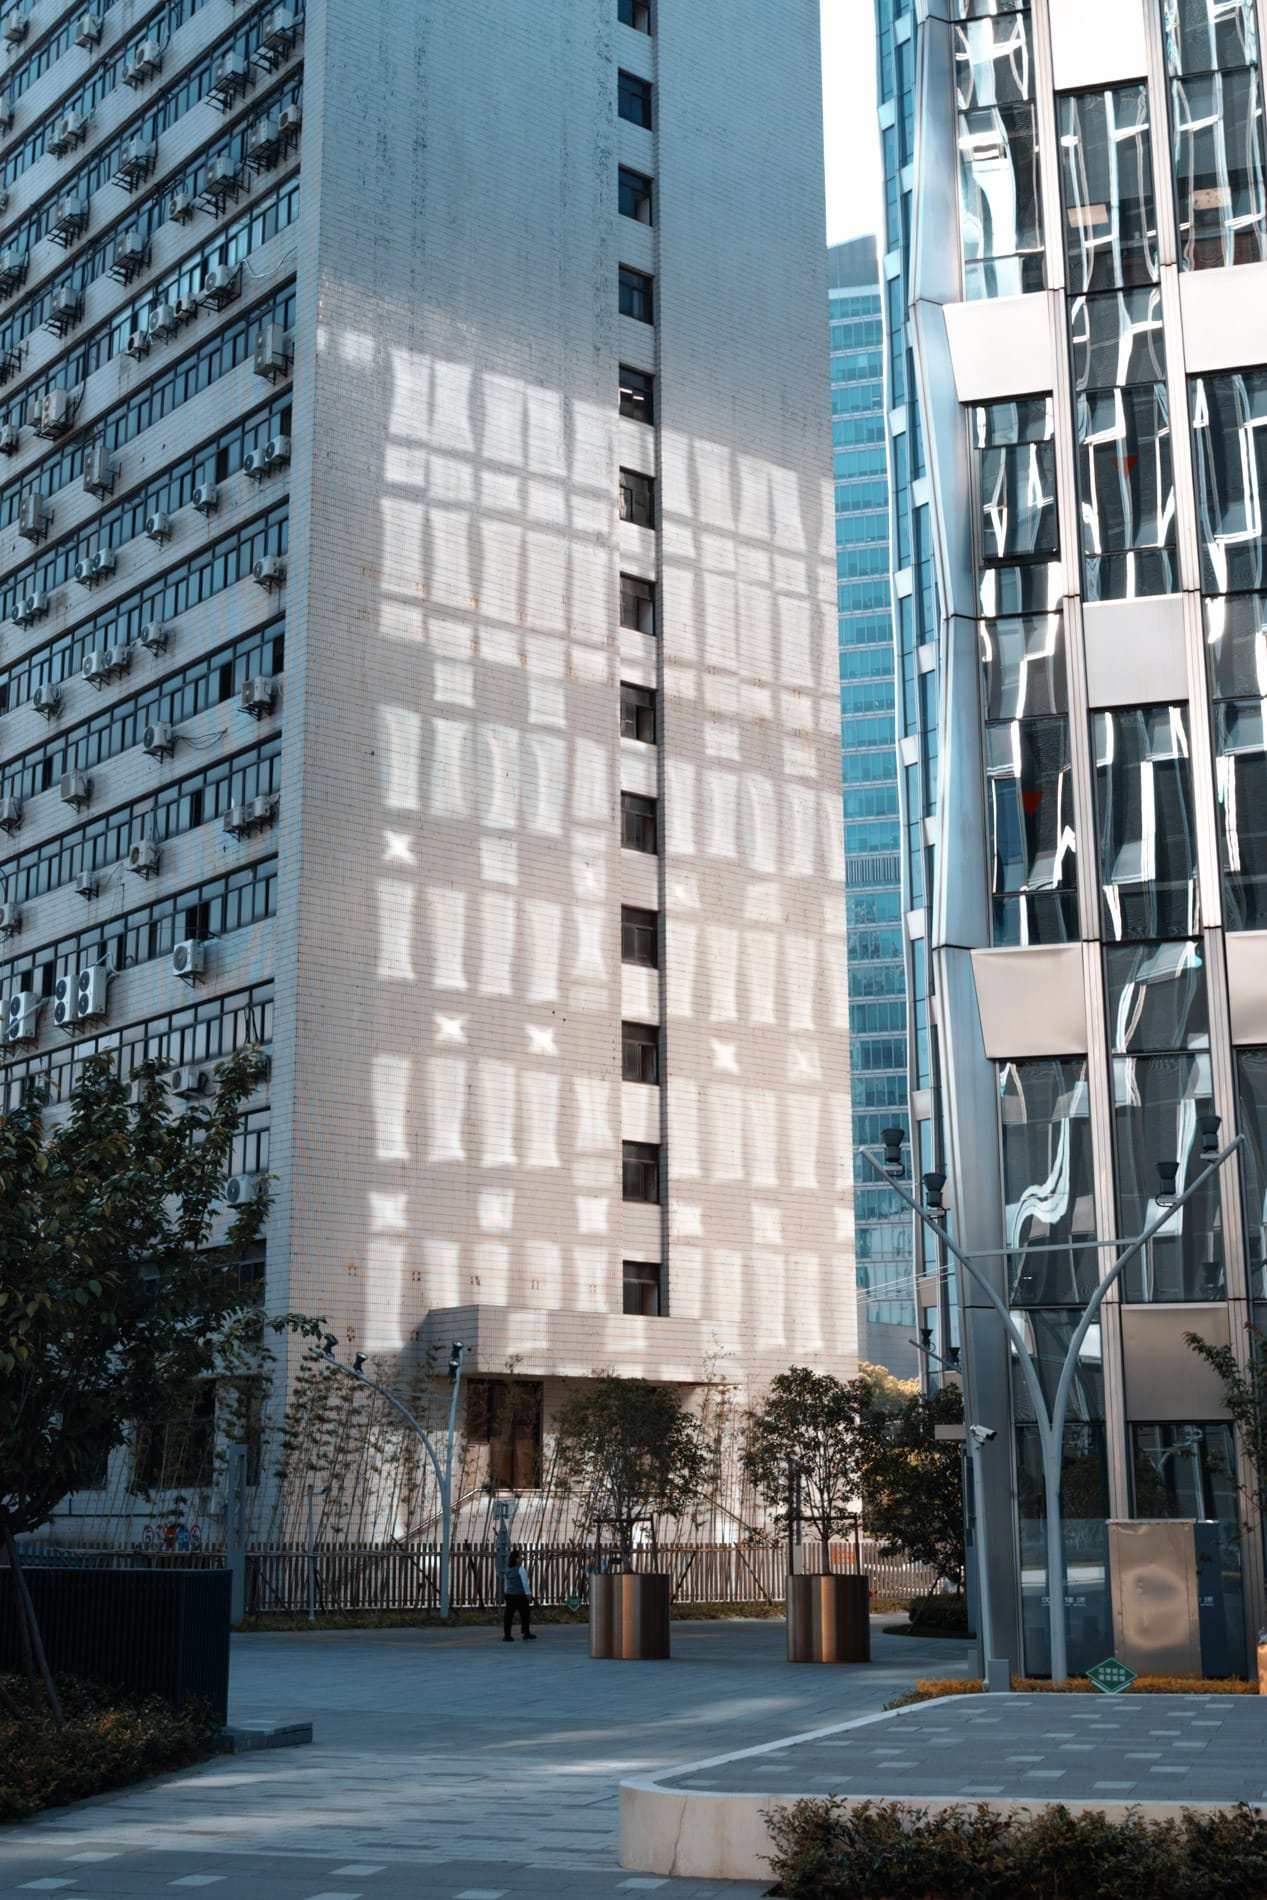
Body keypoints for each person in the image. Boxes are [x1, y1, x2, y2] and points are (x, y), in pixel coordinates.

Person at [502, 1547, 536, 1641]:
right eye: (520, 1557)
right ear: (516, 1559)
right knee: (525, 1614)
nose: (521, 1559)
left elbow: (506, 1583)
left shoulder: (507, 1570)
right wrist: (528, 1594)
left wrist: (506, 1592)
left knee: (508, 1615)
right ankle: (526, 1633)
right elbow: (525, 1583)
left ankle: (507, 1635)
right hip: (520, 1596)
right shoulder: (521, 1569)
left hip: (509, 1595)